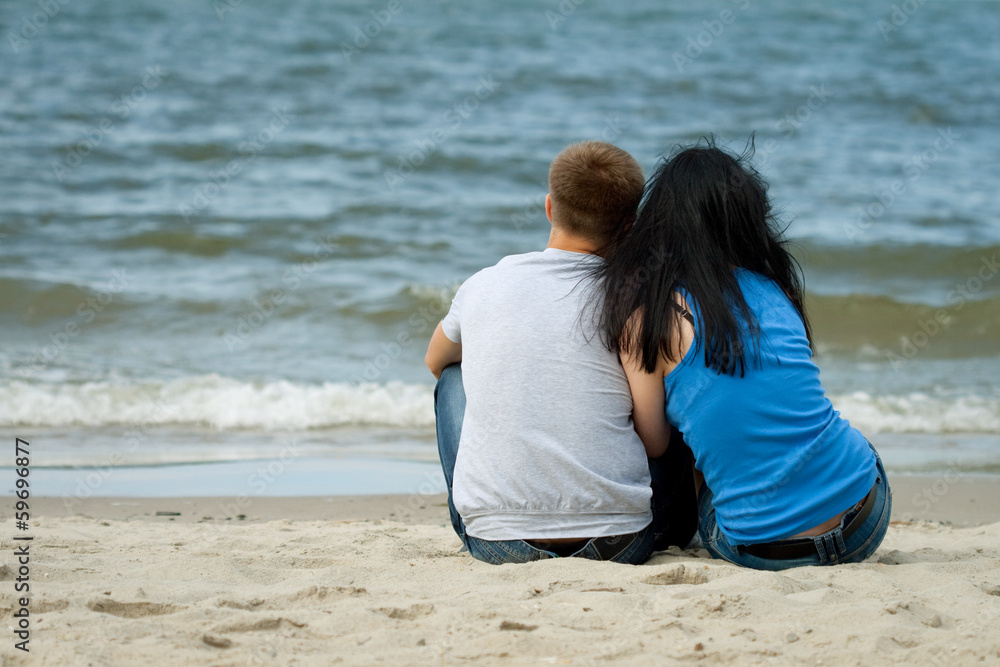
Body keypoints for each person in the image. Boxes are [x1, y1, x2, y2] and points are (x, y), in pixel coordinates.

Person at [594, 139, 891, 571]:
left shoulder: (650, 318)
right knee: (833, 436)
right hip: (863, 523)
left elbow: (654, 442)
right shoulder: (775, 287)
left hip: (759, 550)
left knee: (699, 430)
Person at [425, 141, 698, 565]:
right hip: (620, 542)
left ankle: (487, 508)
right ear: (630, 226)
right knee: (668, 379)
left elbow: (433, 360)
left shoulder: (482, 284)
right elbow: (655, 444)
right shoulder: (637, 298)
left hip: (499, 545)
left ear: (550, 207)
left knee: (453, 379)